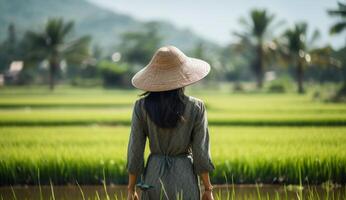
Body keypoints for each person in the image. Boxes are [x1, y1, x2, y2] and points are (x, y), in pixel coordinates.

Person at [126, 45, 215, 200]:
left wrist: (131, 188)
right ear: (183, 76)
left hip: (153, 178)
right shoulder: (196, 107)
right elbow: (200, 153)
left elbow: (135, 150)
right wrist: (208, 188)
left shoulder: (141, 106)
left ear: (154, 77)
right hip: (184, 178)